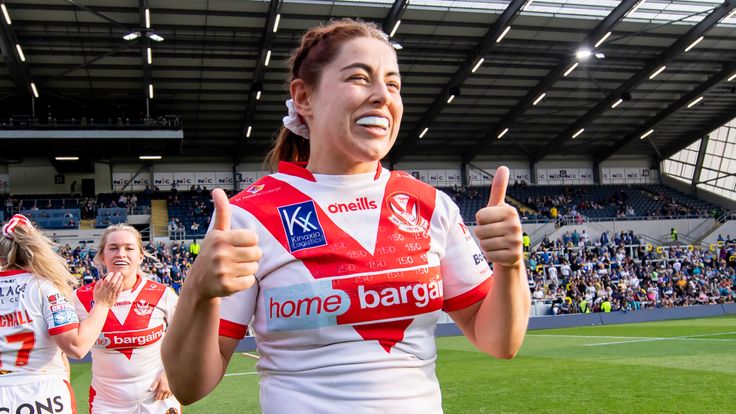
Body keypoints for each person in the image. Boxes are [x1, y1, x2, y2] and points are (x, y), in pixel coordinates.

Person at [162, 19, 529, 413]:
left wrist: (510, 264)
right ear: (303, 97)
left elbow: (499, 341)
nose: (382, 96)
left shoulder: (430, 205)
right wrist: (198, 291)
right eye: (359, 77)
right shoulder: (250, 215)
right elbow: (188, 386)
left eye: (393, 84)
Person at [0, 214, 122, 413]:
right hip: (43, 394)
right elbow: (76, 346)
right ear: (36, 252)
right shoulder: (45, 288)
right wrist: (103, 304)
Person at [73, 224, 180, 413]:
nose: (121, 254)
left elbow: (188, 336)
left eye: (129, 248)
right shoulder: (79, 298)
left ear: (140, 256)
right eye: (113, 248)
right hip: (106, 403)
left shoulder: (163, 294)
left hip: (158, 399)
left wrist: (172, 374)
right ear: (101, 256)